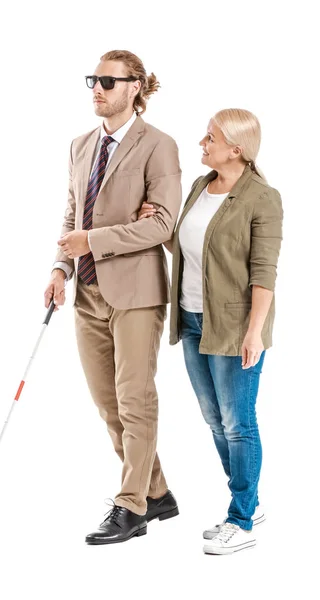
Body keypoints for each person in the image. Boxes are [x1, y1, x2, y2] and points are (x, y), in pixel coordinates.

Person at [44, 50, 182, 545]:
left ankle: (132, 506)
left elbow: (163, 224)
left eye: (108, 80)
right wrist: (61, 267)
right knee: (109, 405)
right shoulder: (81, 145)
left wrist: (95, 242)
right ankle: (158, 491)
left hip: (137, 293)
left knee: (134, 400)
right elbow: (71, 215)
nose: (97, 89)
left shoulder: (159, 145)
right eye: (93, 80)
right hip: (85, 292)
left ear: (135, 87)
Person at [138, 108, 283, 554]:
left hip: (235, 326)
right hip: (194, 318)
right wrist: (161, 228)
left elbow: (264, 274)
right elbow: (193, 246)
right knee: (214, 419)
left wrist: (254, 333)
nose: (202, 144)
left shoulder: (263, 197)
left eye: (210, 139)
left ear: (236, 150)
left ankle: (241, 521)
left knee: (239, 423)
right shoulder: (202, 187)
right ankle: (249, 499)